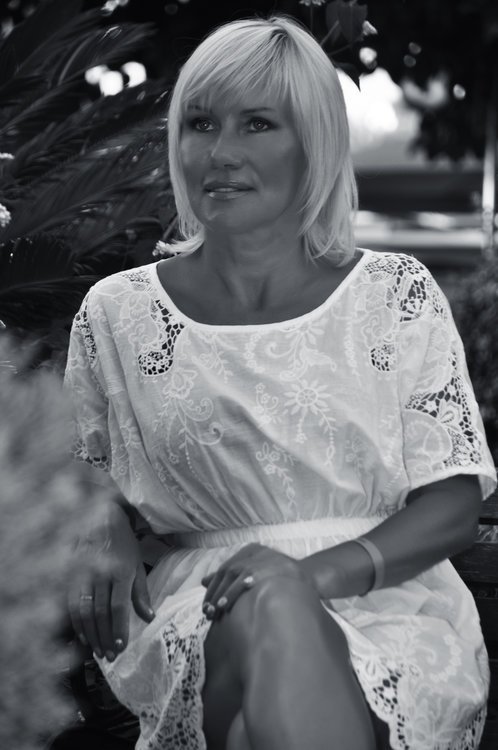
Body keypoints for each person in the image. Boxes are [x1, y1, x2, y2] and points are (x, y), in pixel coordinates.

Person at [64, 14, 497, 750]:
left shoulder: (395, 294)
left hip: (388, 608)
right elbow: (71, 468)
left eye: (258, 124)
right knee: (266, 607)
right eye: (200, 123)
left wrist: (307, 576)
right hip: (203, 613)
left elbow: (455, 503)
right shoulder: (117, 313)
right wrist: (98, 520)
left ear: (313, 144)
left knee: (264, 673)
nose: (220, 153)